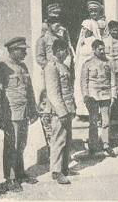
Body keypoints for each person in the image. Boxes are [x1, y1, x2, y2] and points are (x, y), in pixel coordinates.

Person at [0, 37, 38, 192]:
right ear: (12, 50)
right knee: (11, 146)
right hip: (11, 113)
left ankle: (20, 173)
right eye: (22, 50)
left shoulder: (23, 66)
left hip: (24, 112)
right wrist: (0, 116)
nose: (25, 52)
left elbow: (29, 90)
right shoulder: (1, 68)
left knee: (21, 144)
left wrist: (33, 109)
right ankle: (10, 178)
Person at [44, 39, 76, 184]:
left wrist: (72, 108)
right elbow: (53, 93)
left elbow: (68, 89)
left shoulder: (63, 66)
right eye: (65, 50)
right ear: (57, 50)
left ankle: (64, 168)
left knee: (67, 140)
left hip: (67, 109)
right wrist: (61, 112)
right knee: (58, 140)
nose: (67, 52)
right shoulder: (52, 66)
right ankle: (56, 172)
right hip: (59, 111)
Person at [81, 39, 117, 157]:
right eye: (99, 49)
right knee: (93, 121)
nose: (102, 51)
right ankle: (93, 145)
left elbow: (113, 80)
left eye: (103, 49)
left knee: (106, 121)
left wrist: (113, 95)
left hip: (106, 95)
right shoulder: (87, 63)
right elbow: (83, 82)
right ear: (94, 50)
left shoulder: (109, 63)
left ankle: (106, 144)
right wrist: (85, 96)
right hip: (93, 96)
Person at [75, 1, 105, 118]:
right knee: (79, 88)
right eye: (83, 28)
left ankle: (92, 113)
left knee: (90, 88)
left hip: (90, 69)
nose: (84, 30)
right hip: (80, 68)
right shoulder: (82, 40)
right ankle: (80, 112)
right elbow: (78, 52)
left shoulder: (94, 39)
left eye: (86, 28)